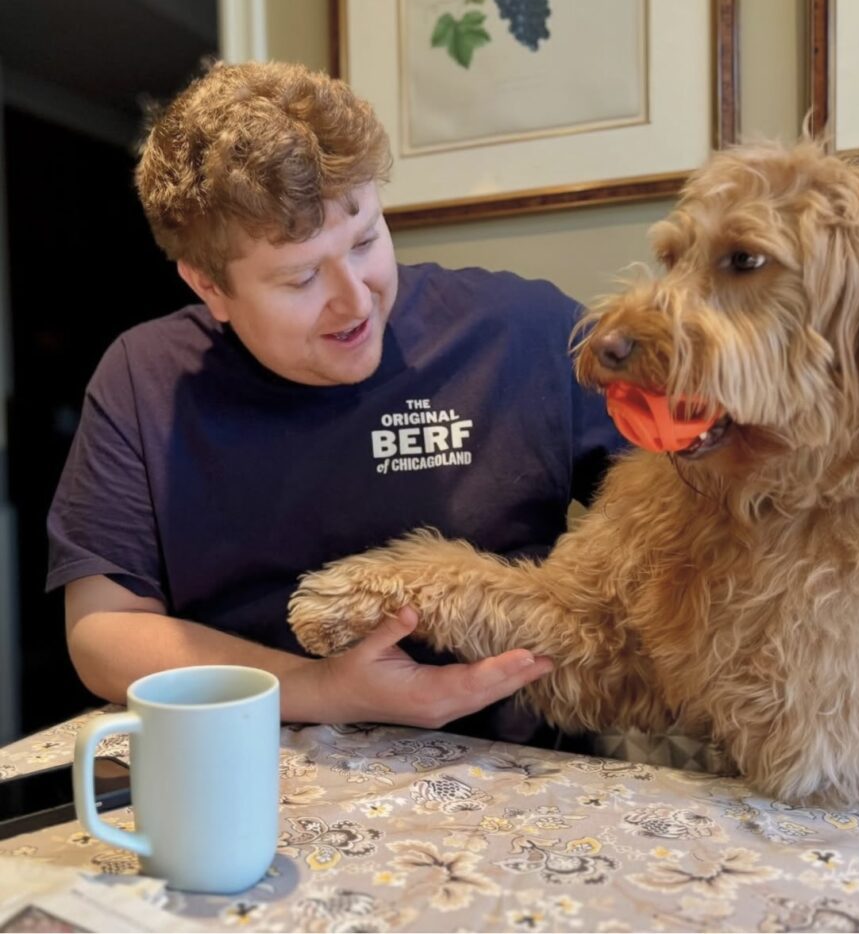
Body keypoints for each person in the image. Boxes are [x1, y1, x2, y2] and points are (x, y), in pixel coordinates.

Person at [47, 59, 625, 738]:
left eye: (365, 240)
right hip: (260, 764)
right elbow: (103, 631)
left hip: (527, 767)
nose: (355, 301)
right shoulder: (144, 379)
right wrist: (322, 689)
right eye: (298, 280)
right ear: (208, 287)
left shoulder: (527, 332)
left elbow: (692, 514)